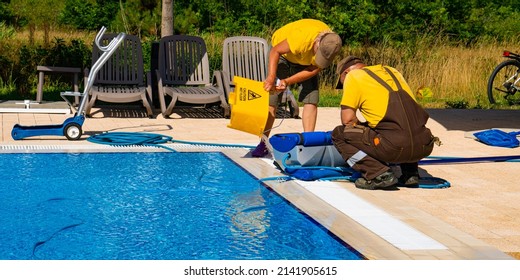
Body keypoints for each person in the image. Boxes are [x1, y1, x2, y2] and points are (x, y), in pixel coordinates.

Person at [331, 56, 439, 190]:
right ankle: (410, 174)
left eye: (342, 83)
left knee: (339, 133)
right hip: (424, 145)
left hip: (394, 148)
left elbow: (348, 120)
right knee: (403, 126)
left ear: (345, 73)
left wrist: (365, 129)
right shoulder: (391, 71)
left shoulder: (353, 77)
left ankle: (378, 174)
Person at [251, 19, 342, 157]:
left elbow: (313, 69)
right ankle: (263, 143)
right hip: (282, 54)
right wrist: (271, 77)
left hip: (304, 61)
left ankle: (308, 144)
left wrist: (287, 81)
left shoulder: (332, 45)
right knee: (272, 98)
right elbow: (276, 51)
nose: (319, 58)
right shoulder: (302, 38)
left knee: (311, 98)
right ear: (317, 42)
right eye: (318, 54)